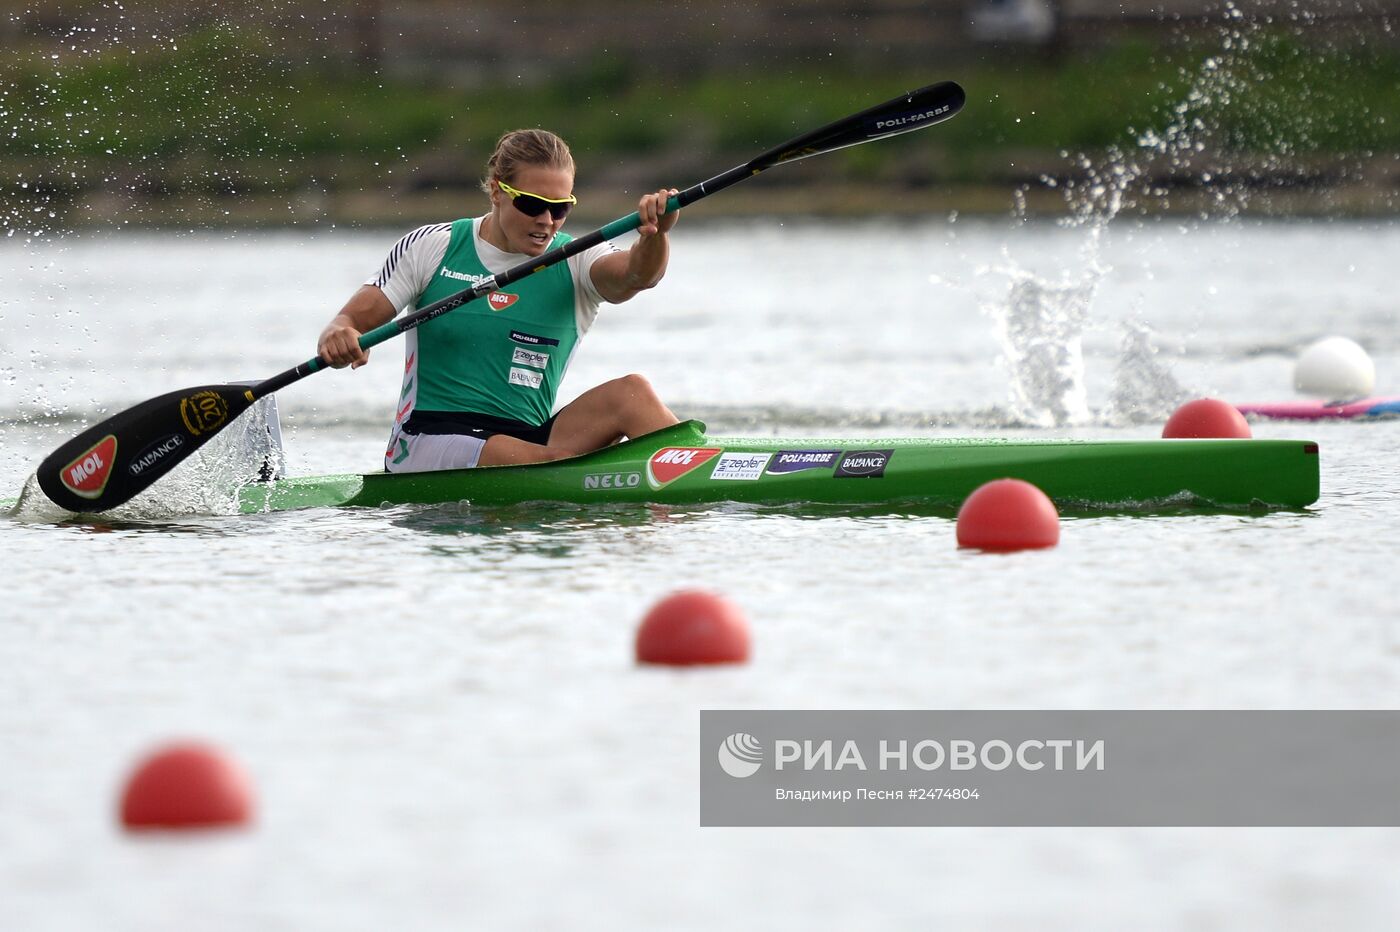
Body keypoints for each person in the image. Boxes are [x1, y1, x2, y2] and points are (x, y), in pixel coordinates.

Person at [316, 128, 681, 472]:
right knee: (551, 459)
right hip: (427, 439)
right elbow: (350, 323)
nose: (546, 221)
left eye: (560, 208)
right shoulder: (433, 246)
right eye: (532, 205)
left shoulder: (577, 257)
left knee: (632, 393)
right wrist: (340, 336)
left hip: (529, 439)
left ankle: (702, 466)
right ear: (496, 192)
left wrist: (655, 235)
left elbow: (637, 275)